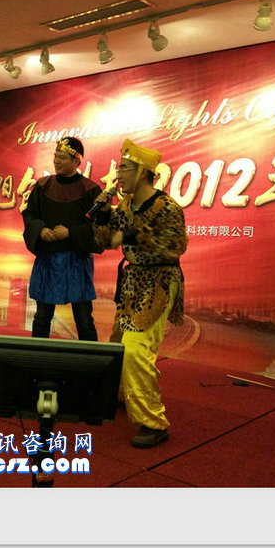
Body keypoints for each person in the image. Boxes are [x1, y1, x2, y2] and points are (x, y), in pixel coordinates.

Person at [92, 138, 188, 448]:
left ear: (144, 172)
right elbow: (105, 241)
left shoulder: (166, 207)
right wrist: (103, 215)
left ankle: (153, 422)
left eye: (124, 168)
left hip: (159, 281)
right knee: (118, 343)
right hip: (133, 281)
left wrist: (130, 235)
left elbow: (176, 246)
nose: (118, 174)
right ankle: (123, 396)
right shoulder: (125, 204)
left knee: (135, 349)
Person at [22, 137, 103, 341]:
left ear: (76, 161)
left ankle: (91, 359)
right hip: (48, 261)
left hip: (77, 261)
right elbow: (30, 214)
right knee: (42, 317)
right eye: (55, 156)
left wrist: (70, 233)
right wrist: (40, 229)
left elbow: (100, 228)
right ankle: (36, 356)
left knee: (84, 319)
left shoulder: (90, 190)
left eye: (62, 157)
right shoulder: (42, 186)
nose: (56, 161)